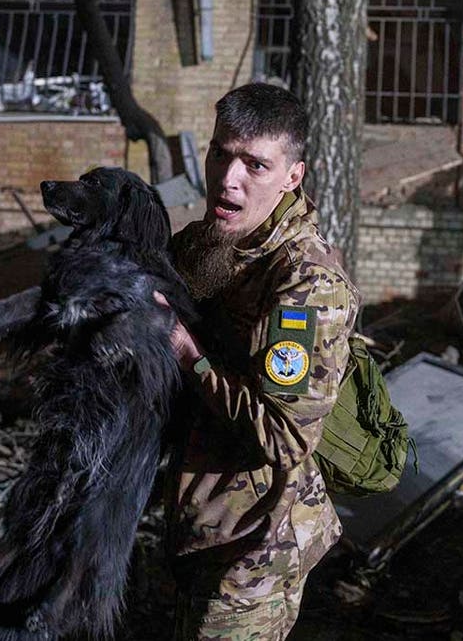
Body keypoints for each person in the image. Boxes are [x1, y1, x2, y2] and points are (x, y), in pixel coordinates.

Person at [160, 83, 360, 640]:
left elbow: (283, 436)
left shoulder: (306, 286)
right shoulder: (207, 243)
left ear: (293, 176)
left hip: (257, 548)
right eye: (220, 153)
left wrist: (189, 355)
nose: (229, 178)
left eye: (255, 164)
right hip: (203, 524)